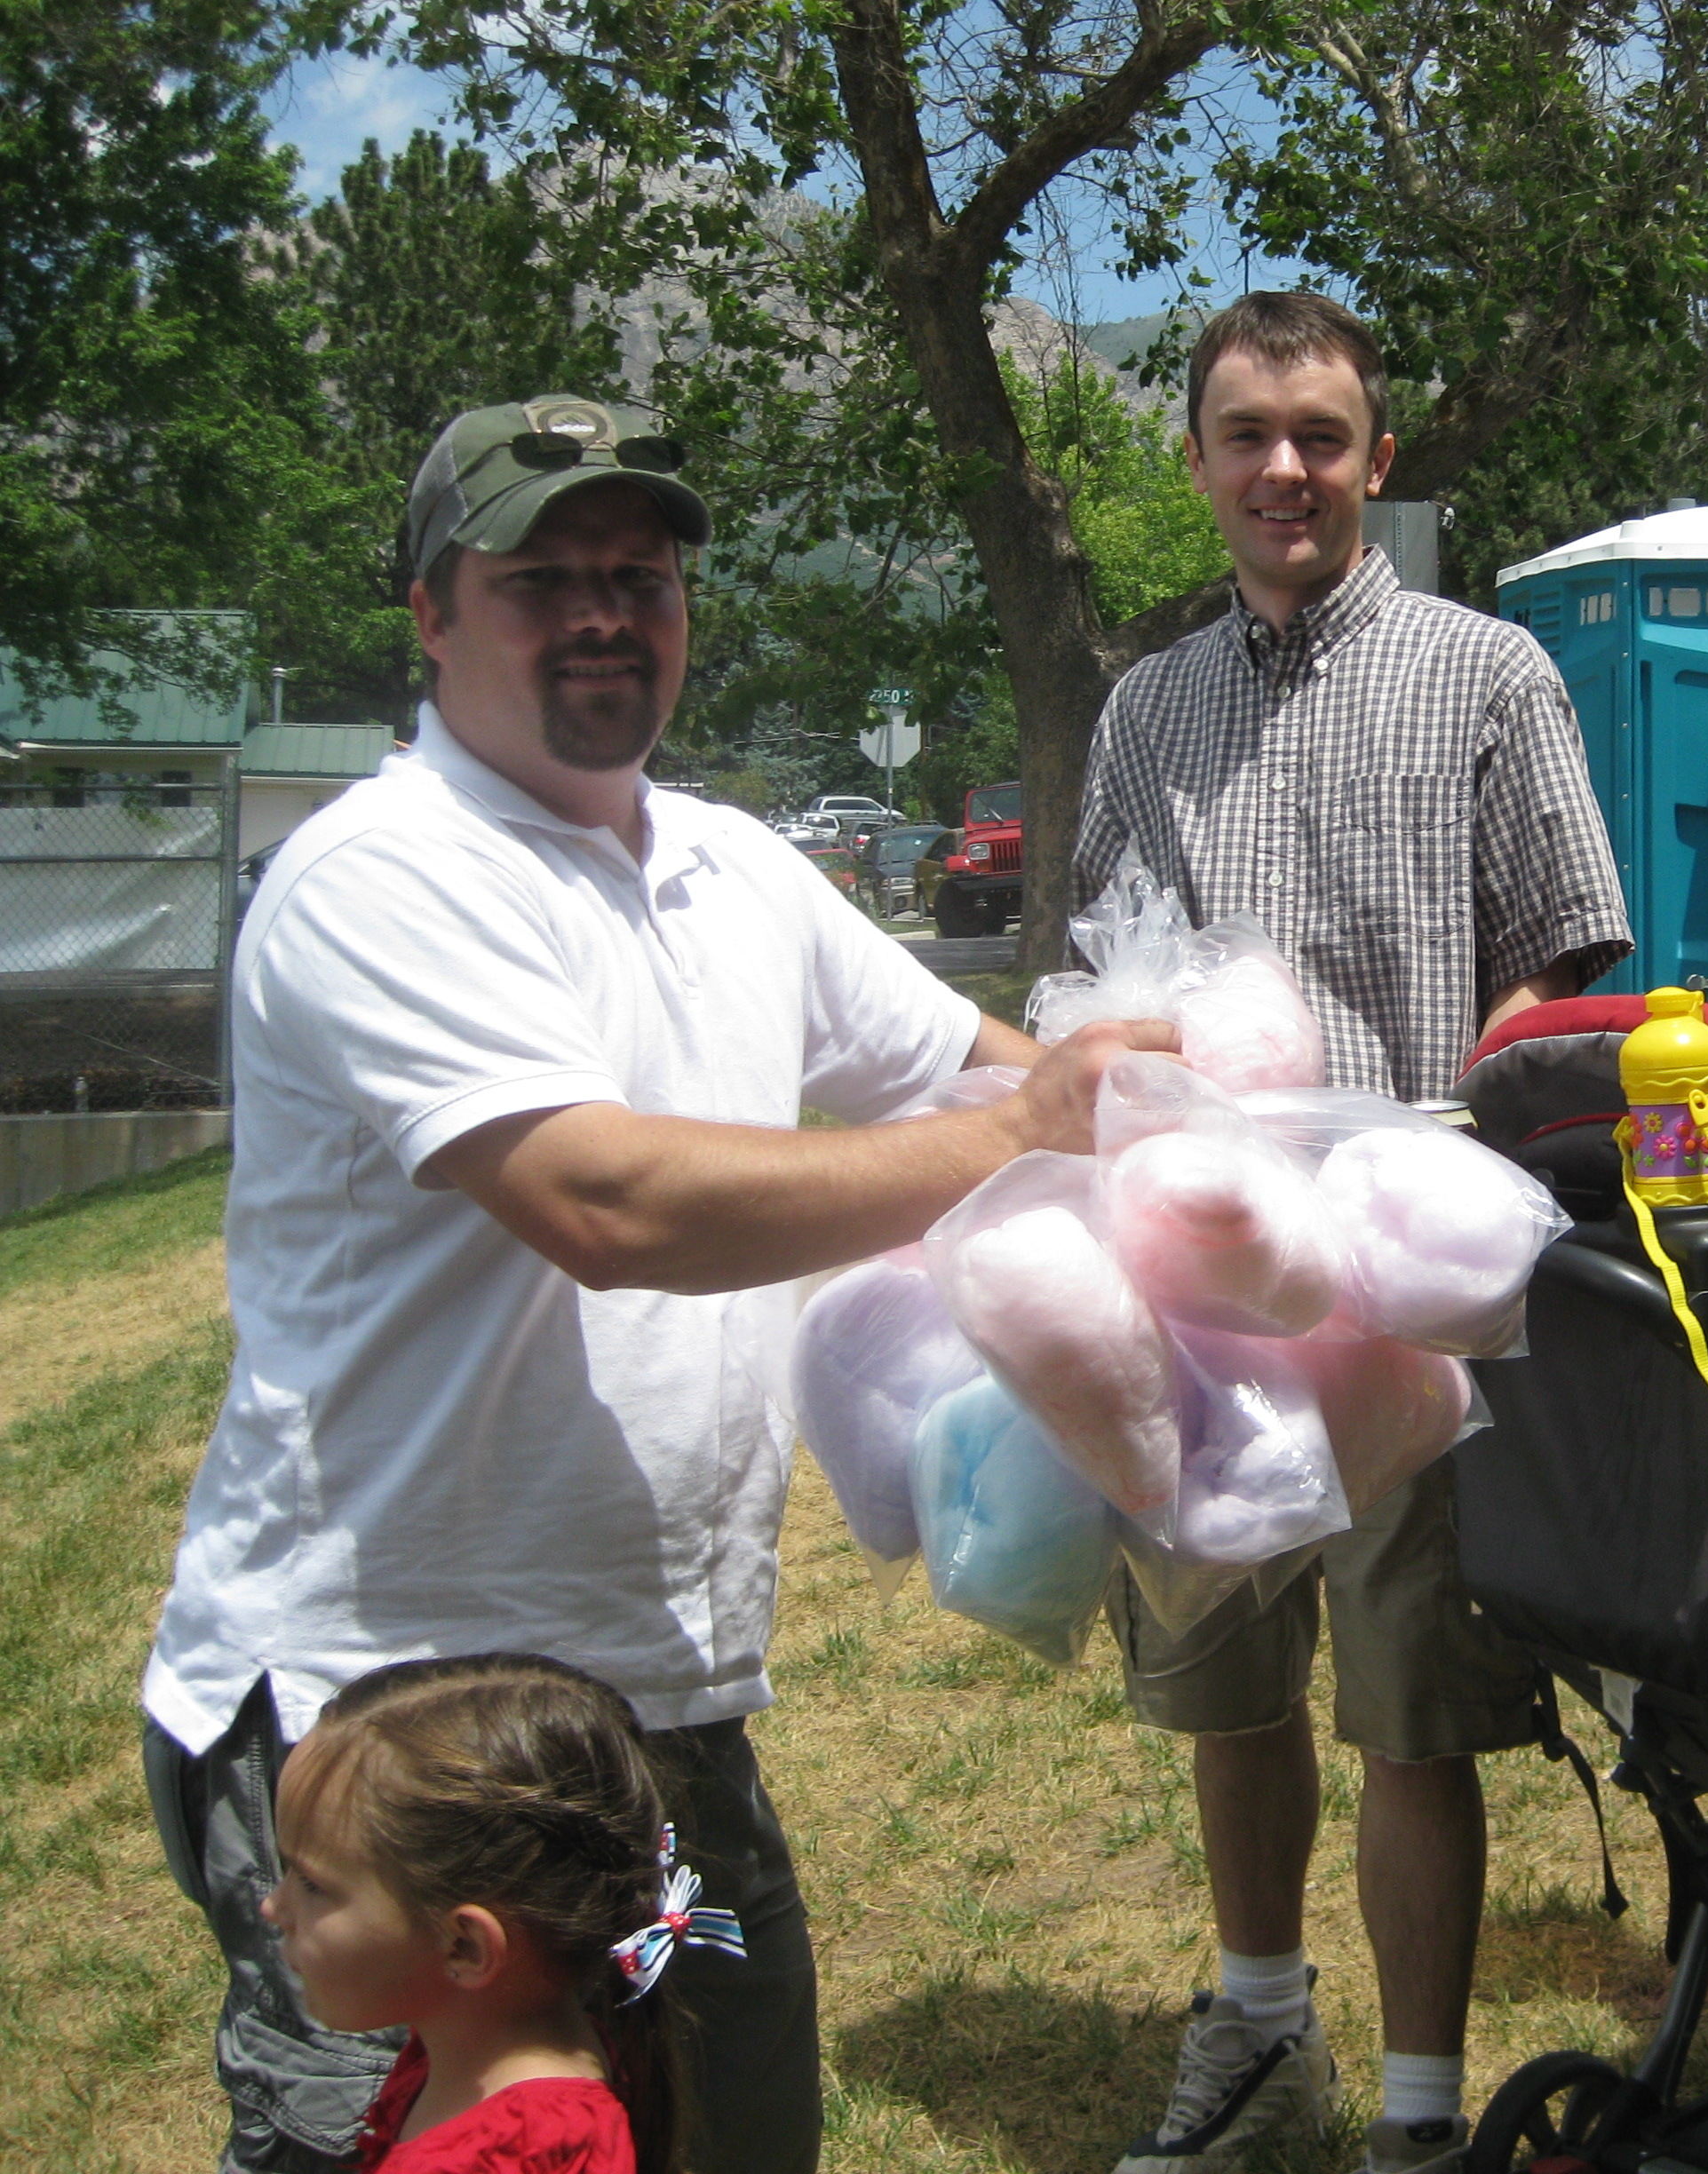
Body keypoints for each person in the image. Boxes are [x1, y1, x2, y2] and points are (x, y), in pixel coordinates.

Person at [142, 394, 1169, 2174]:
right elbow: (608, 1202)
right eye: (543, 577)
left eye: (640, 571)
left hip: (661, 1734)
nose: (606, 609)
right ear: (432, 614)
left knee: (721, 2098)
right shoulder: (380, 877)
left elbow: (976, 1075)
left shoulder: (732, 869)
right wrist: (1026, 1137)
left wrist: (1196, 1125)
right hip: (396, 1753)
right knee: (425, 2148)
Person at [1072, 293, 1633, 2174]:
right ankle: (1256, 2036)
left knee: (1409, 1712)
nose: (1284, 468)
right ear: (1201, 464)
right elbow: (1109, 978)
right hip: (1204, 1282)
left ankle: (1415, 2113)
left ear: (1377, 461)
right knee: (1229, 1684)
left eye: (1320, 434)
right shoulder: (1145, 712)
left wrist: (1429, 1197)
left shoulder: (1491, 675)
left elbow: (1554, 964)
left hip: (1400, 1293)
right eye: (1247, 434)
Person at [263, 1654, 723, 2174]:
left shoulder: (528, 2148)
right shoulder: (464, 2054)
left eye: (311, 1884)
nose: (273, 1906)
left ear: (465, 1945)